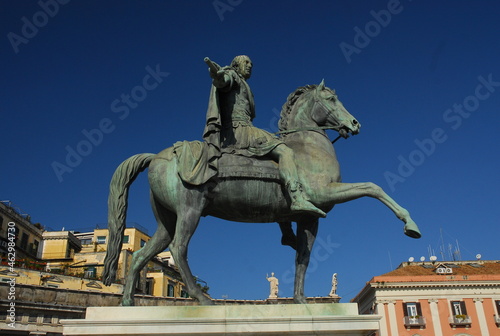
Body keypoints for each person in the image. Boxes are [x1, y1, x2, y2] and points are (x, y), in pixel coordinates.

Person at [203, 55, 326, 218]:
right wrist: (218, 75)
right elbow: (223, 81)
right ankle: (296, 198)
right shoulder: (232, 75)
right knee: (286, 152)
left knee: (275, 161)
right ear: (236, 64)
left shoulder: (244, 84)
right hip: (240, 130)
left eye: (251, 63)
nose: (249, 66)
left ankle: (286, 229)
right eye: (245, 62)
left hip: (245, 128)